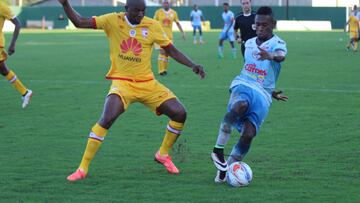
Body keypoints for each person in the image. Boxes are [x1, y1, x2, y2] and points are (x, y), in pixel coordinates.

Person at [58, 0, 205, 182]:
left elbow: (171, 50)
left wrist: (192, 65)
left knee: (180, 113)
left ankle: (163, 154)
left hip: (148, 83)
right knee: (107, 118)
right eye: (137, 11)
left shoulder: (152, 25)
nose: (141, 14)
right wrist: (65, 4)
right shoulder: (112, 20)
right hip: (122, 83)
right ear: (126, 9)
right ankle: (82, 168)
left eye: (143, 11)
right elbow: (80, 22)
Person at [210, 6, 288, 183]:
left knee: (249, 133)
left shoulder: (279, 44)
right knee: (240, 105)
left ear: (273, 24)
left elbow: (280, 56)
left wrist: (270, 57)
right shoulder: (249, 43)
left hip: (263, 95)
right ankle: (218, 149)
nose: (260, 28)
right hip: (243, 83)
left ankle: (226, 168)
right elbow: (249, 68)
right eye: (257, 25)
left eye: (264, 25)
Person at [0, 1, 32, 108]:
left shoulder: (2, 6)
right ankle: (25, 92)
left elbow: (17, 24)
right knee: (3, 70)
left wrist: (12, 44)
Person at [154, 0, 185, 76]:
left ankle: (164, 70)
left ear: (169, 4)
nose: (165, 4)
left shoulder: (173, 13)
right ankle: (161, 70)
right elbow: (153, 22)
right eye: (164, 3)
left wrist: (182, 32)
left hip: (169, 37)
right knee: (162, 52)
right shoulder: (158, 12)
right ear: (162, 4)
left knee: (167, 53)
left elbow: (177, 23)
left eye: (167, 2)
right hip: (160, 36)